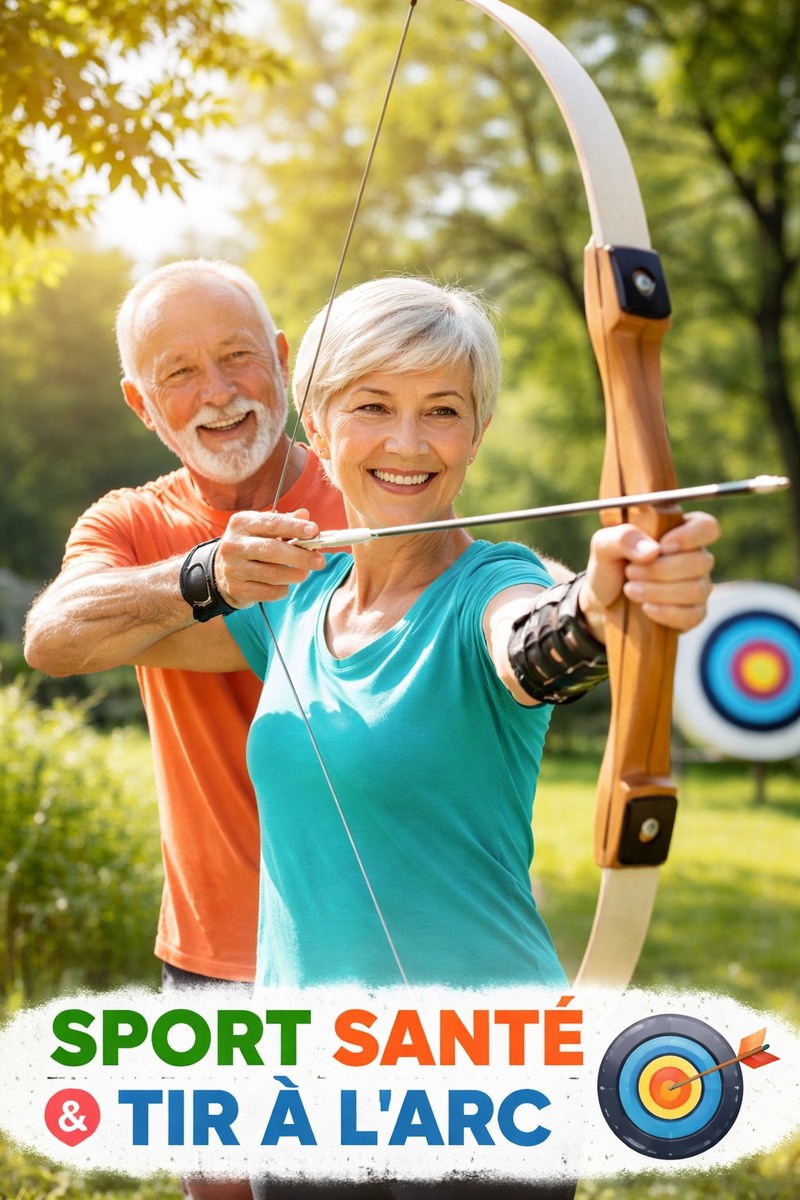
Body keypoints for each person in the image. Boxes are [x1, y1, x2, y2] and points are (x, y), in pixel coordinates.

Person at [126, 276, 718, 1197]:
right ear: (315, 427)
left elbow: (535, 642)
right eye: (372, 405)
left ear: (476, 436)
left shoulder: (493, 585)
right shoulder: (293, 599)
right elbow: (72, 638)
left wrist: (608, 605)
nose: (407, 442)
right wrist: (205, 566)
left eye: (442, 410)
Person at [23, 259, 349, 1200]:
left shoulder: (372, 491)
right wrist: (203, 578)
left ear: (282, 360)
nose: (220, 394)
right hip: (209, 946)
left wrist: (150, 631)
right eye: (179, 372)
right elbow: (52, 635)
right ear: (141, 402)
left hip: (360, 944)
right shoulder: (129, 520)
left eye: (240, 357)